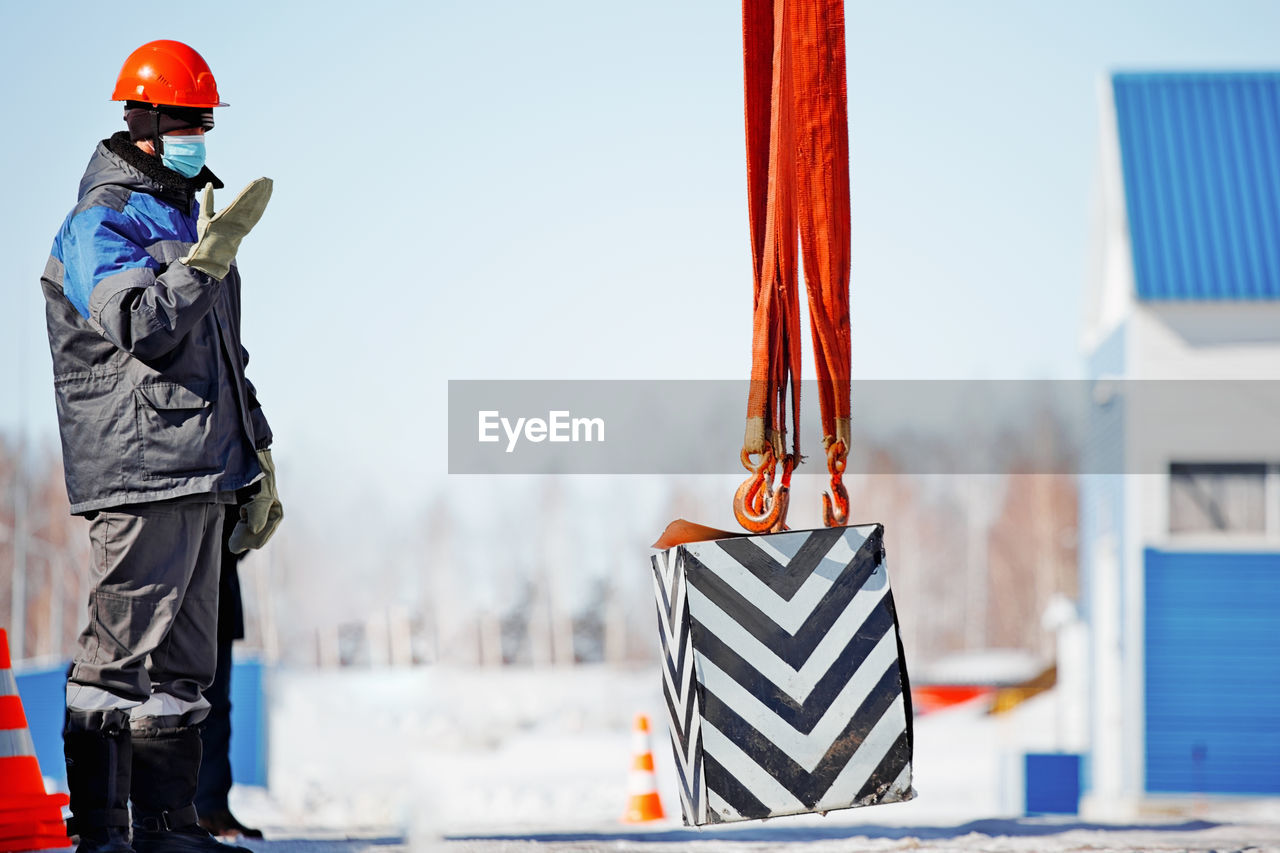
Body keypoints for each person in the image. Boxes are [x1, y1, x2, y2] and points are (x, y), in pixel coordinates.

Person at [40, 40, 282, 853]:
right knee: (117, 658)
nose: (197, 137)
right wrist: (203, 266)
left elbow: (223, 356)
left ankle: (170, 828)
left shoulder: (186, 219)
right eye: (186, 122)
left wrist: (258, 456)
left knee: (184, 669)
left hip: (203, 468)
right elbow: (139, 324)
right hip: (140, 469)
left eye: (204, 123)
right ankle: (105, 835)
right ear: (140, 124)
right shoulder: (96, 223)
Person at [194, 505, 263, 840]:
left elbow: (246, 530)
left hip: (219, 595)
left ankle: (211, 808)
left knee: (216, 709)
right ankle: (164, 813)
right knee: (156, 703)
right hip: (169, 594)